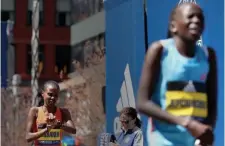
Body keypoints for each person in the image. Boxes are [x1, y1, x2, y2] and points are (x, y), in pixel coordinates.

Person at [137, 3, 217, 146]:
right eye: (190, 16)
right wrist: (186, 123)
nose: (196, 20)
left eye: (200, 17)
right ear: (173, 26)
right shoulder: (160, 51)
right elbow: (142, 103)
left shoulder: (208, 55)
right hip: (163, 140)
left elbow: (211, 103)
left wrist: (207, 131)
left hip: (193, 142)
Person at [26, 80, 76, 146]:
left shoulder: (63, 112)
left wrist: (59, 125)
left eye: (56, 95)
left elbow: (73, 130)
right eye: (50, 94)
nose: (53, 98)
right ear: (43, 93)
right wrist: (47, 129)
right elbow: (28, 137)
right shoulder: (35, 111)